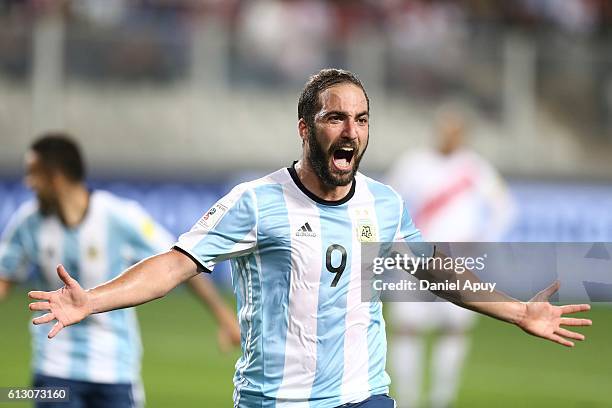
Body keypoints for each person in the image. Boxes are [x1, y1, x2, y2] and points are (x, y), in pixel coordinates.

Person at [26, 70, 591, 408]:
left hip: (364, 394)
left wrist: (518, 310)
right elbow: (174, 265)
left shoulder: (384, 203)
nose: (352, 131)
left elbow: (435, 271)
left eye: (363, 119)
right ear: (305, 127)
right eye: (336, 118)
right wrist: (92, 299)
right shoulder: (255, 202)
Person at [0, 133, 240, 407]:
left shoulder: (119, 216)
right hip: (54, 367)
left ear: (55, 178)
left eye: (33, 174)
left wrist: (224, 317)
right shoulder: (27, 223)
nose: (28, 183)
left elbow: (178, 263)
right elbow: (4, 279)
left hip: (114, 368)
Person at [385, 104, 516, 408]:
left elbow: (505, 207)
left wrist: (483, 240)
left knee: (454, 329)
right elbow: (386, 201)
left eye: (456, 132)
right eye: (446, 131)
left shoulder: (474, 167)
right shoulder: (414, 163)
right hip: (416, 259)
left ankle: (441, 398)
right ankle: (407, 399)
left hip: (459, 260)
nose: (451, 137)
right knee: (407, 329)